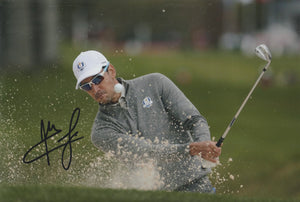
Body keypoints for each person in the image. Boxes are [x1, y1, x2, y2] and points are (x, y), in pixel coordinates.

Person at [72, 50, 221, 193]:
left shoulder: (155, 83)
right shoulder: (101, 131)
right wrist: (192, 149)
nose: (95, 88)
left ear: (111, 70)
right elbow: (147, 153)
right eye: (86, 86)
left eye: (97, 79)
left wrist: (204, 145)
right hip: (155, 194)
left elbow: (194, 120)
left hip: (196, 185)